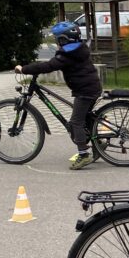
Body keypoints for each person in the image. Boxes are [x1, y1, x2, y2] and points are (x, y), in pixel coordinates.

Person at [14, 21, 102, 170]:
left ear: (63, 39)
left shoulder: (67, 54)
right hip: (91, 87)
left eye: (57, 39)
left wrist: (24, 69)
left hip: (85, 91)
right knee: (85, 118)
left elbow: (48, 66)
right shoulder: (80, 49)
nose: (57, 42)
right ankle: (98, 145)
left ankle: (83, 154)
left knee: (76, 122)